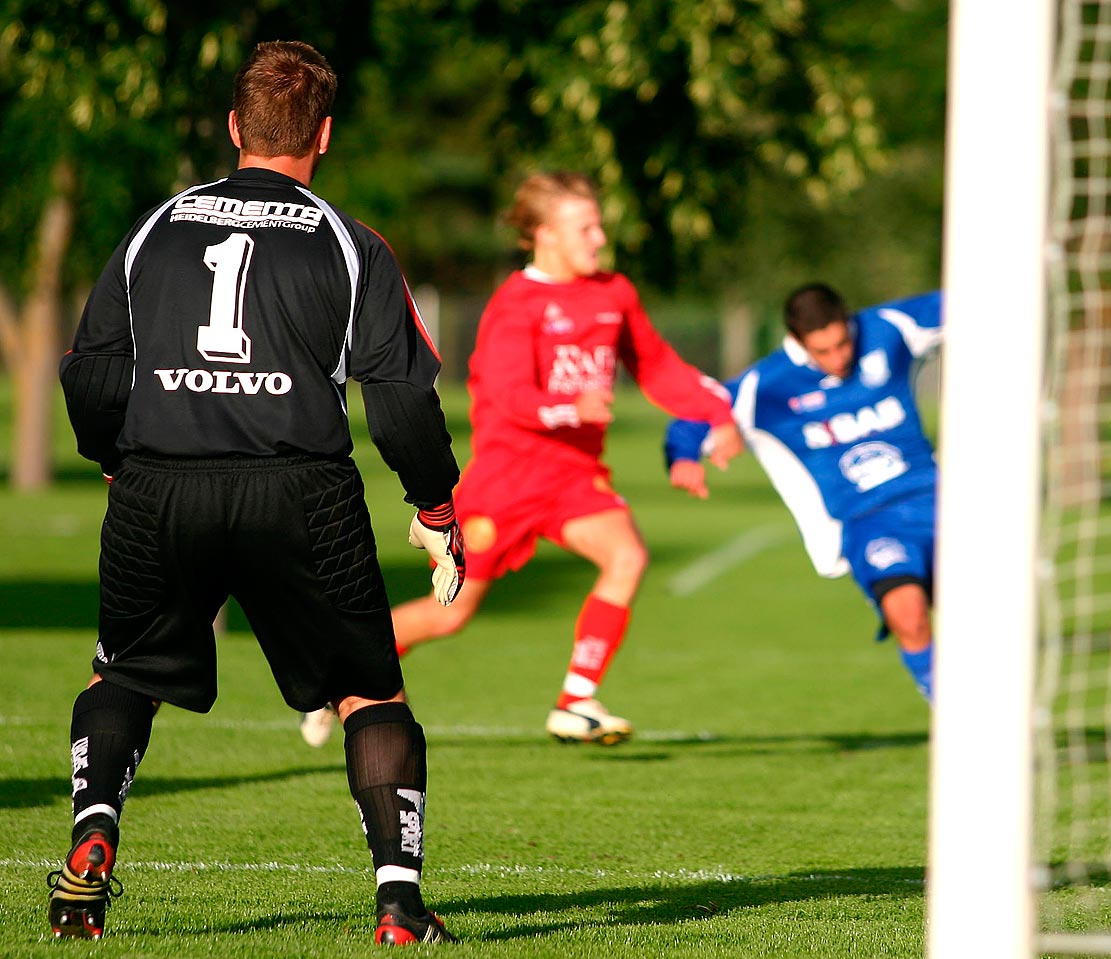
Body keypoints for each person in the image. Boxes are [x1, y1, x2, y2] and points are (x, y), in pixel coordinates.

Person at [51, 41, 463, 946]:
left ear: (235, 127)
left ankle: (92, 835)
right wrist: (435, 507)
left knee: (122, 672)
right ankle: (398, 904)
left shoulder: (153, 229)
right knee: (369, 695)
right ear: (323, 134)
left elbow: (86, 374)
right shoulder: (353, 246)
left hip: (160, 484)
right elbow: (400, 405)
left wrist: (117, 459)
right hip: (301, 492)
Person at [302, 170, 742, 749]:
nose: (598, 237)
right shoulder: (517, 304)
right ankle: (334, 670)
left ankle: (576, 700)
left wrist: (717, 414)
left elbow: (658, 366)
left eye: (598, 225)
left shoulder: (614, 292)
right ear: (544, 234)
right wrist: (571, 406)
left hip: (576, 479)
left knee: (628, 556)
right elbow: (506, 399)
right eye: (585, 227)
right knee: (448, 614)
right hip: (507, 482)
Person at [664, 284, 941, 701]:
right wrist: (684, 457)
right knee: (907, 613)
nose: (838, 358)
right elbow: (695, 415)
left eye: (843, 343)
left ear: (849, 321)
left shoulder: (887, 328)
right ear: (797, 342)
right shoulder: (768, 385)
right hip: (868, 520)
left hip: (937, 500)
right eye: (823, 351)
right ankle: (949, 707)